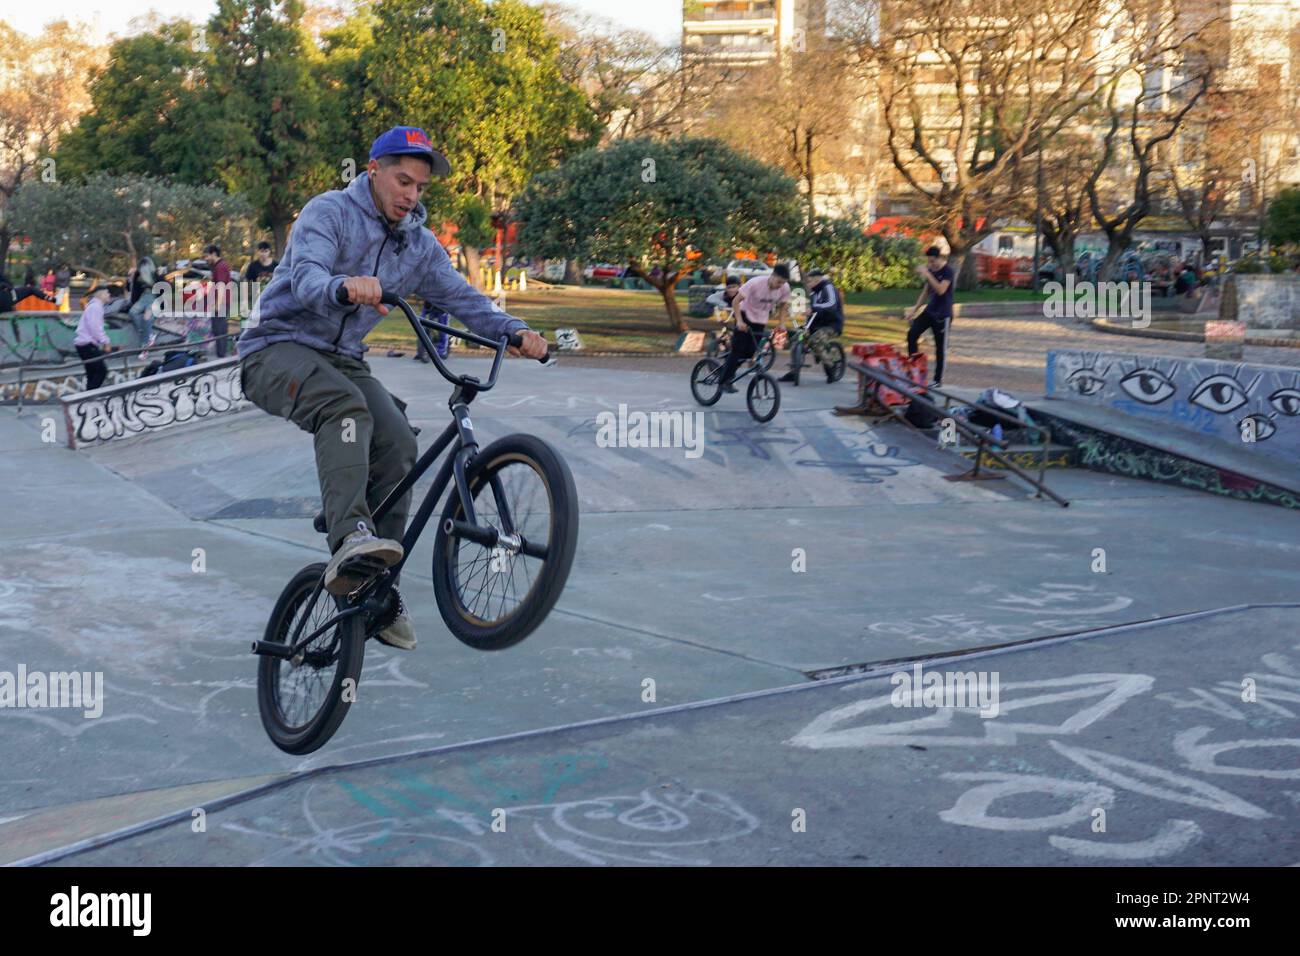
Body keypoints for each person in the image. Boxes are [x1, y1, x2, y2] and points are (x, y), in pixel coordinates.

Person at [238, 125, 546, 651]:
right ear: (373, 170)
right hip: (276, 347)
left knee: (400, 439)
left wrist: (512, 329)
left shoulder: (418, 247)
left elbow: (463, 298)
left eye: (420, 187)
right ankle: (351, 537)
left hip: (343, 359)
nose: (410, 195)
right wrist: (343, 287)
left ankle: (378, 586)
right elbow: (307, 278)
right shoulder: (328, 212)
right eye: (402, 181)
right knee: (345, 409)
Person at [717, 263, 791, 393]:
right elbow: (735, 301)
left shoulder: (784, 288)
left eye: (783, 283)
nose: (780, 285)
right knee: (738, 349)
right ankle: (724, 381)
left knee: (750, 352)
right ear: (772, 276)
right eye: (778, 282)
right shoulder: (755, 283)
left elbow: (784, 305)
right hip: (744, 315)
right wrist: (739, 321)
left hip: (760, 319)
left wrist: (782, 323)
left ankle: (729, 369)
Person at [781, 266, 844, 383]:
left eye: (809, 281)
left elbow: (831, 305)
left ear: (817, 279)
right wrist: (806, 326)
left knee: (815, 340)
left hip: (832, 325)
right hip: (817, 325)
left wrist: (814, 308)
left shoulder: (828, 287)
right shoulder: (814, 293)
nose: (807, 283)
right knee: (797, 338)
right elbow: (813, 313)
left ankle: (831, 368)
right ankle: (794, 372)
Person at [904, 246, 954, 387]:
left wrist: (927, 274)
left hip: (943, 315)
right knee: (912, 334)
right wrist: (914, 310)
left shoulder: (948, 271)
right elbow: (926, 292)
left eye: (933, 261)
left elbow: (940, 290)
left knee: (940, 348)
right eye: (929, 262)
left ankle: (937, 380)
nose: (931, 264)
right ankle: (914, 370)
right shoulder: (931, 270)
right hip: (930, 311)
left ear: (939, 258)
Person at [74, 285, 119, 391]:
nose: (109, 295)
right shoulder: (95, 307)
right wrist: (106, 342)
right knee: (101, 371)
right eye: (107, 292)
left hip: (83, 344)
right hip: (87, 344)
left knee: (92, 373)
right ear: (101, 294)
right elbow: (95, 328)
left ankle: (87, 398)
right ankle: (88, 397)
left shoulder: (94, 306)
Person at [204, 244, 233, 357]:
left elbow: (221, 286)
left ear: (213, 254)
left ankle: (221, 356)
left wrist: (217, 304)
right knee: (218, 329)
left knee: (219, 329)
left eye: (207, 256)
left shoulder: (220, 266)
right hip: (221, 302)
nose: (206, 259)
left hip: (221, 303)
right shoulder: (218, 266)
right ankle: (221, 354)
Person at [128, 256, 160, 347]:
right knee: (132, 312)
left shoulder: (156, 275)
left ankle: (144, 344)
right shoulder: (138, 275)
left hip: (154, 299)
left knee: (146, 317)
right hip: (143, 298)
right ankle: (148, 335)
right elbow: (132, 290)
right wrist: (130, 277)